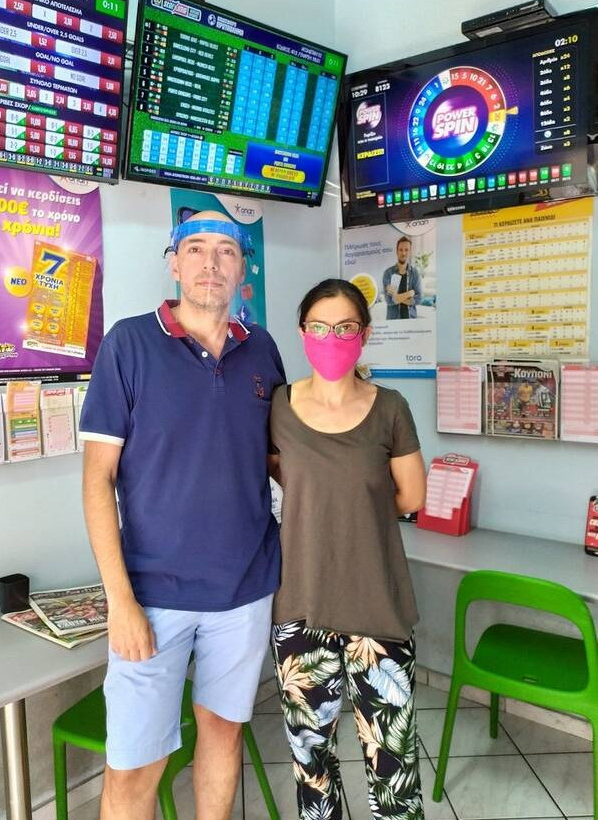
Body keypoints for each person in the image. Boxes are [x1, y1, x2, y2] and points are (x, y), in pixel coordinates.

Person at [79, 210, 285, 820]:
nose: (210, 263)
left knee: (222, 733)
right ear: (174, 263)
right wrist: (120, 602)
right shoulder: (128, 344)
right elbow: (97, 481)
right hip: (152, 597)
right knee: (135, 766)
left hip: (244, 589)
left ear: (243, 270)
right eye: (195, 248)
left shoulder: (262, 349)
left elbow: (276, 459)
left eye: (226, 250)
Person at [268, 278, 427, 820]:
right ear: (302, 333)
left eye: (344, 328)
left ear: (365, 334)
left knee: (393, 770)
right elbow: (280, 475)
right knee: (312, 768)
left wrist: (354, 507)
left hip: (377, 610)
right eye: (318, 327)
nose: (330, 338)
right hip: (301, 610)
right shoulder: (279, 406)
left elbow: (412, 496)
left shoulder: (390, 408)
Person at [382, 236, 423, 320]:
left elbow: (419, 299)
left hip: (411, 321)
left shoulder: (415, 273)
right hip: (393, 321)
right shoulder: (388, 273)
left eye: (406, 250)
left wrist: (396, 297)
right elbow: (389, 300)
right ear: (396, 251)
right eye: (400, 250)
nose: (403, 253)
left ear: (410, 252)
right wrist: (409, 294)